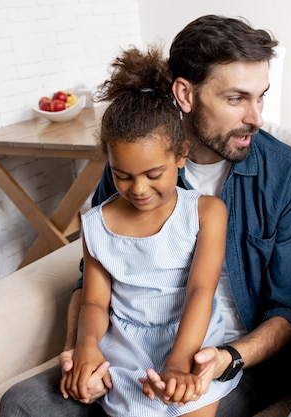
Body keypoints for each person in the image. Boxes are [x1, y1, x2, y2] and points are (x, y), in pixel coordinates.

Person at [0, 15, 291, 417]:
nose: (256, 117)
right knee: (21, 404)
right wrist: (79, 352)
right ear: (185, 94)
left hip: (231, 356)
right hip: (128, 348)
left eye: (260, 97)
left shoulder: (290, 177)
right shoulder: (135, 168)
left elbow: (289, 311)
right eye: (237, 99)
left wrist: (224, 359)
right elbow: (93, 279)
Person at [64, 44, 240, 417]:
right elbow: (95, 301)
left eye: (153, 174)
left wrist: (178, 363)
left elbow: (200, 291)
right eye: (122, 175)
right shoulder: (95, 224)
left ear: (181, 156)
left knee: (189, 402)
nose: (139, 189)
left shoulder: (207, 212)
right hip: (125, 344)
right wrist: (86, 346)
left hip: (190, 337)